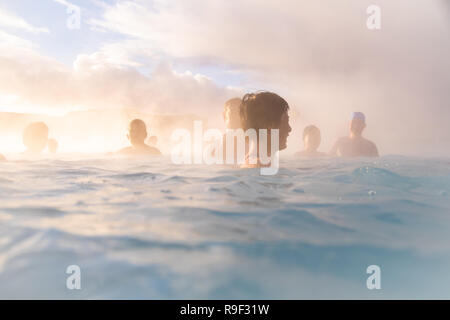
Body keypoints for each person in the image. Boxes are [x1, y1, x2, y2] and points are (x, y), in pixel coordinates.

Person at [239, 91, 291, 167]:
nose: (289, 129)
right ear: (270, 127)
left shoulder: (252, 162)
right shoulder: (260, 165)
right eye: (286, 122)